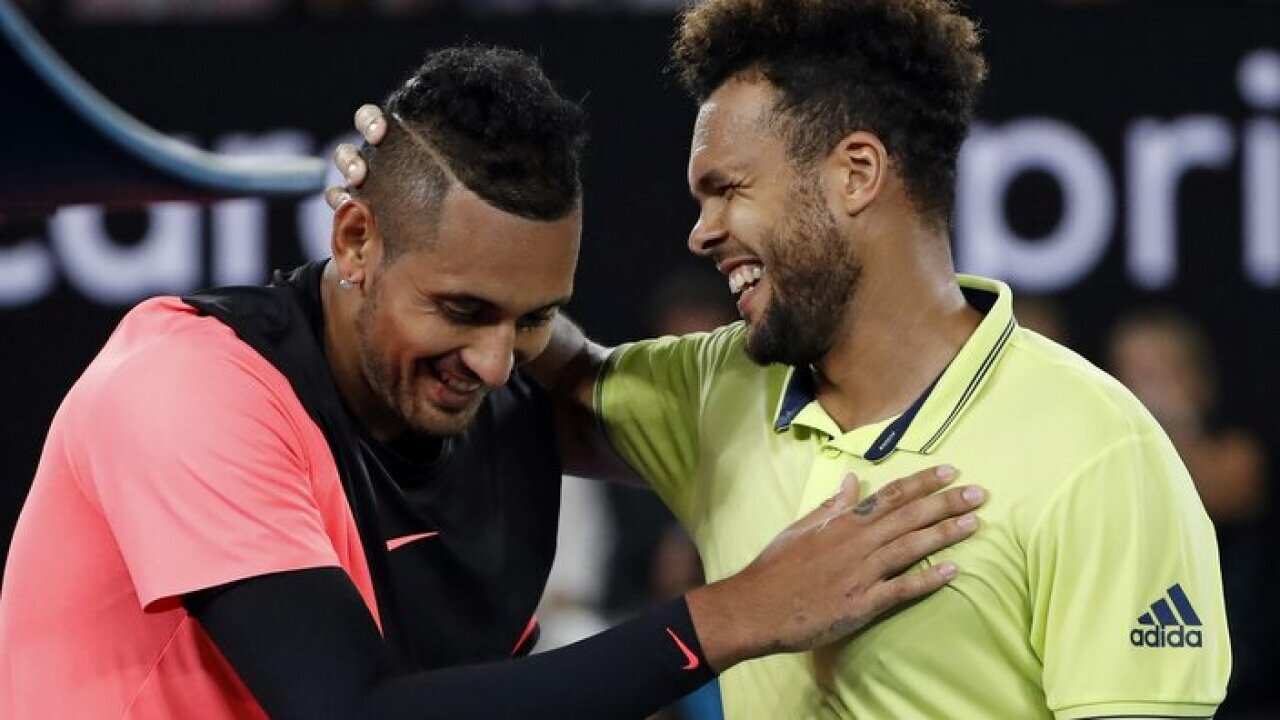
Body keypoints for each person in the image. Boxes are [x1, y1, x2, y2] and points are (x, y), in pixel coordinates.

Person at [0, 46, 987, 719]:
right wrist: (733, 616)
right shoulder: (186, 388)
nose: (494, 362)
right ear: (355, 240)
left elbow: (688, 409)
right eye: (463, 309)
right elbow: (349, 714)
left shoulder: (513, 394)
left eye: (532, 316)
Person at [333, 1, 1231, 717]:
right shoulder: (715, 390)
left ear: (856, 172)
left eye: (728, 189)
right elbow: (536, 360)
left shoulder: (1100, 451)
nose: (701, 231)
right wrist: (400, 216)